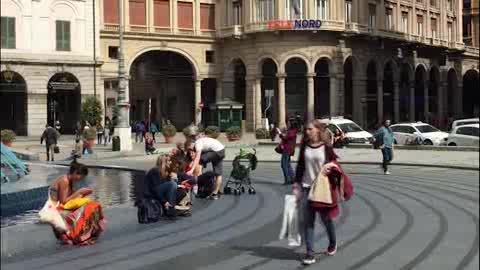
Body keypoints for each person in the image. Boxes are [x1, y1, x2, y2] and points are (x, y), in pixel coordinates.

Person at [293, 119, 353, 265]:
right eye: (306, 129)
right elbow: (301, 166)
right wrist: (296, 184)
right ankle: (309, 253)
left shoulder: (326, 148)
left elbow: (335, 164)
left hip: (322, 188)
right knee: (308, 222)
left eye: (310, 129)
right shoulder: (304, 147)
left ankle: (332, 243)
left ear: (318, 130)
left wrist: (330, 167)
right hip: (307, 187)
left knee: (326, 219)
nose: (307, 132)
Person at [47, 162, 105, 245]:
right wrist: (79, 192)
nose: (81, 179)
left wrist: (82, 195)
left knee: (91, 205)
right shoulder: (65, 181)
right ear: (75, 173)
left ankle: (80, 234)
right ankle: (79, 234)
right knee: (89, 208)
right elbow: (63, 201)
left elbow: (69, 199)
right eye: (81, 176)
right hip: (56, 210)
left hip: (60, 208)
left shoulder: (69, 181)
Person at [186, 126, 225, 200]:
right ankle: (215, 194)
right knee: (218, 173)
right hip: (221, 150)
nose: (191, 150)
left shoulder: (198, 143)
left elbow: (197, 158)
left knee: (200, 159)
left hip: (216, 151)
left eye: (190, 148)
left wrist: (192, 170)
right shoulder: (201, 141)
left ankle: (200, 184)